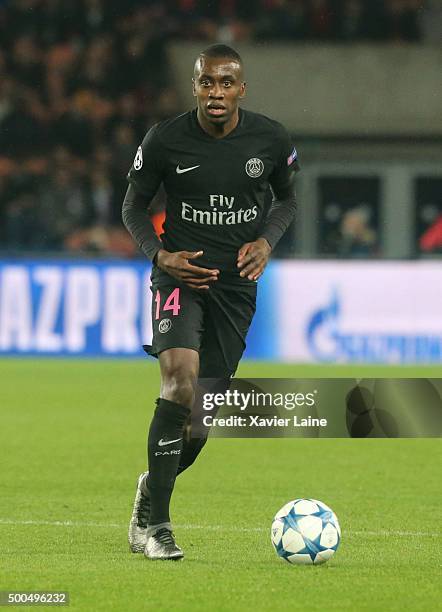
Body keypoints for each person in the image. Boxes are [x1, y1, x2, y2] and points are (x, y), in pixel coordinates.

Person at [122, 44, 298, 560]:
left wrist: (266, 241)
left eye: (225, 83)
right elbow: (133, 204)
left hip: (235, 287)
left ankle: (150, 489)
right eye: (206, 83)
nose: (215, 93)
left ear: (242, 88)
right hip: (181, 279)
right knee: (179, 384)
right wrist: (160, 255)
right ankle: (158, 528)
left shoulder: (270, 139)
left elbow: (286, 198)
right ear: (195, 86)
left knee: (202, 413)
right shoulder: (166, 140)